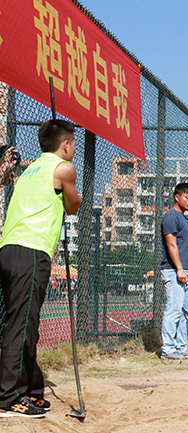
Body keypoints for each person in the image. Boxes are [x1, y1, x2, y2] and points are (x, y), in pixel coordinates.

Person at [0, 119, 81, 418]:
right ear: (65, 145)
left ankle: (30, 390)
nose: (74, 148)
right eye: (73, 143)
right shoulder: (63, 169)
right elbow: (73, 206)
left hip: (9, 249)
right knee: (20, 326)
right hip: (31, 250)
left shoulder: (31, 169)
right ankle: (7, 398)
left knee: (26, 323)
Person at [160, 182, 188, 360]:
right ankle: (168, 349)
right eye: (187, 197)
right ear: (177, 197)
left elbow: (186, 247)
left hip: (187, 271)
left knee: (185, 311)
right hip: (174, 271)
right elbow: (171, 245)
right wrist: (180, 269)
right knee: (174, 310)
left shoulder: (185, 219)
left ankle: (181, 346)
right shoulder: (170, 216)